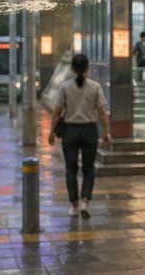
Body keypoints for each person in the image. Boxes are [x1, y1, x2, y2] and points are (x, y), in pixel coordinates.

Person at [48, 53, 113, 219]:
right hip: (89, 131)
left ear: (71, 68)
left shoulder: (64, 87)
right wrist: (106, 133)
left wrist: (51, 132)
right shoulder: (95, 86)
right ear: (87, 68)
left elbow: (56, 112)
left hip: (70, 131)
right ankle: (85, 202)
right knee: (88, 169)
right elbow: (102, 112)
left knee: (71, 169)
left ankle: (74, 205)